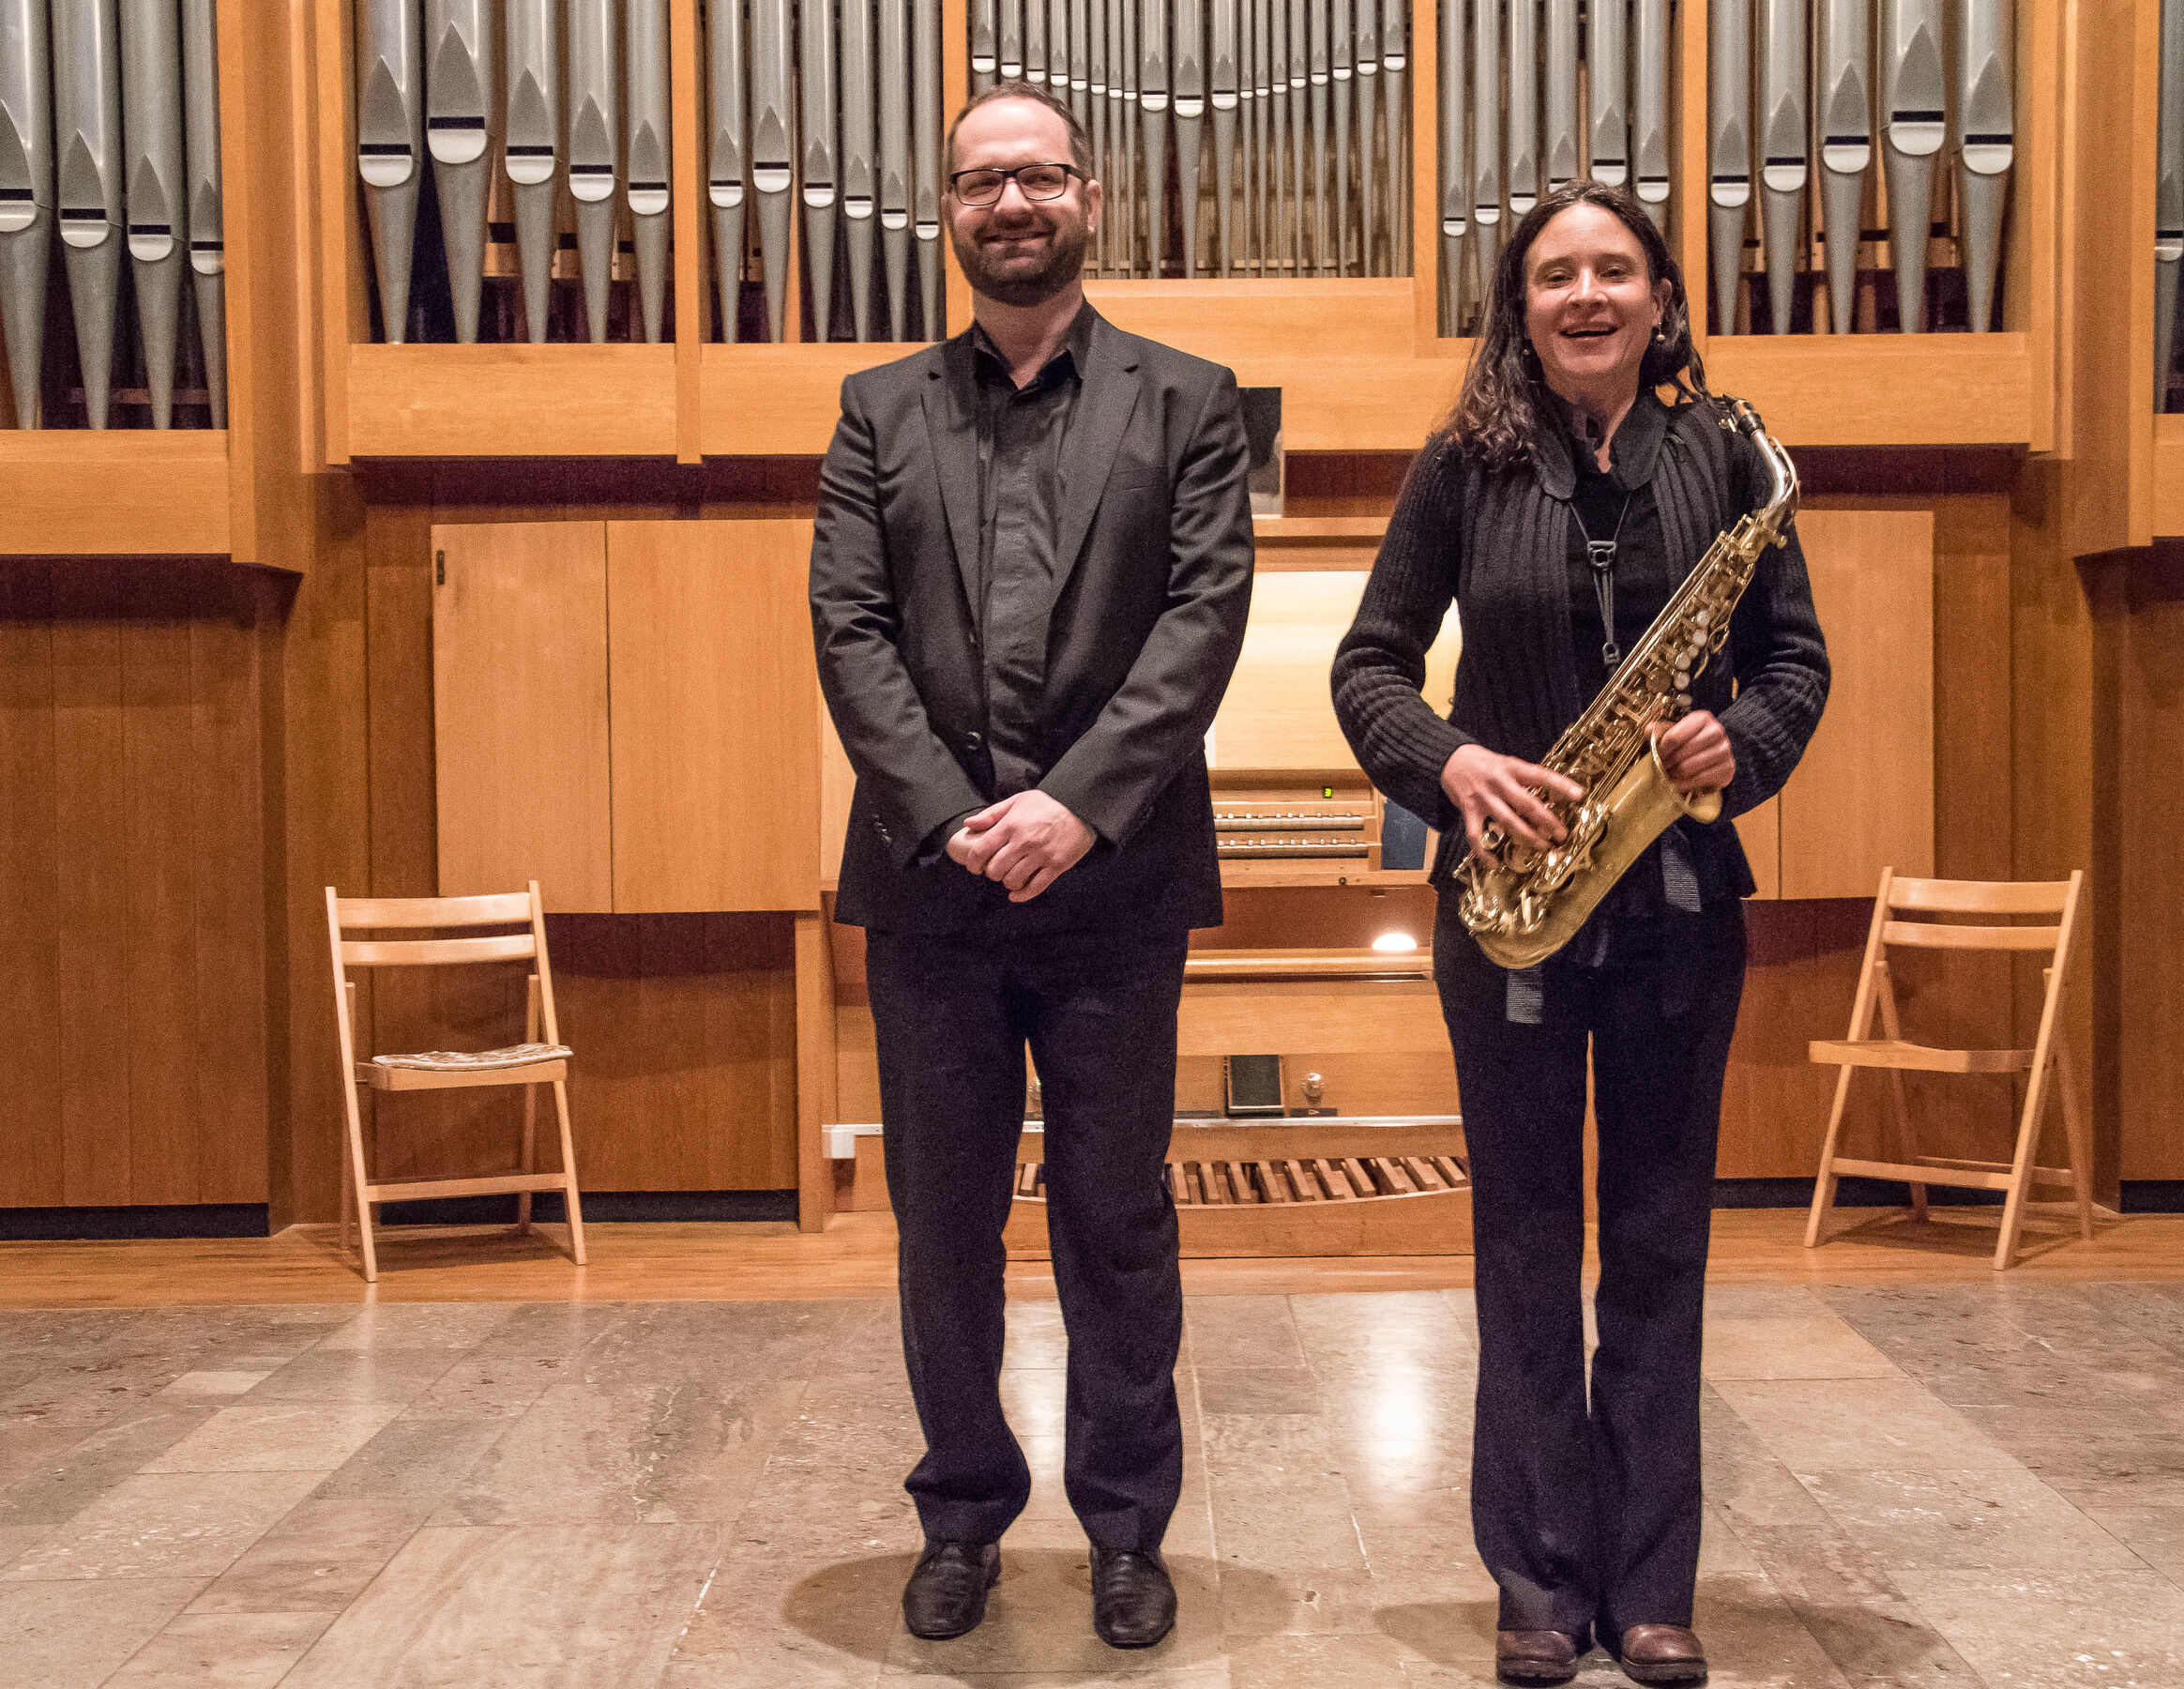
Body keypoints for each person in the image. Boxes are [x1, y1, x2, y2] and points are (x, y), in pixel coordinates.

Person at [1332, 182, 1828, 1688]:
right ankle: (1540, 1586)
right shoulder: (1461, 467)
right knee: (1528, 1246)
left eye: (1616, 269)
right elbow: (1369, 666)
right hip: (1513, 916)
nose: (1588, 295)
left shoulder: (1728, 458)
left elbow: (1797, 664)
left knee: (1663, 1247)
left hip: (1678, 911)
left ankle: (1654, 1587)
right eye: (1557, 274)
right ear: (1521, 308)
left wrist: (1739, 740)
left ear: (1660, 299)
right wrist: (1452, 764)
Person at [809, 81, 1253, 1651]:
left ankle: (1128, 1530)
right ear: (947, 210)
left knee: (1116, 1223)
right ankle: (961, 1516)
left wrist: (1075, 809)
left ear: (1090, 198)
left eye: (1040, 176)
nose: (1012, 203)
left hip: (1116, 890)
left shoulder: (1189, 400)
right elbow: (851, 631)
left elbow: (1200, 623)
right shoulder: (878, 408)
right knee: (942, 1229)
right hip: (930, 893)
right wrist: (951, 817)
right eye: (982, 181)